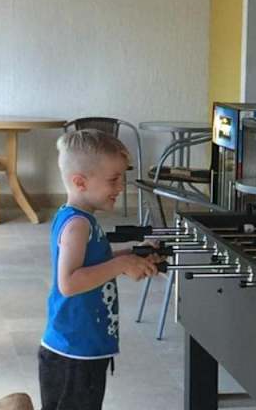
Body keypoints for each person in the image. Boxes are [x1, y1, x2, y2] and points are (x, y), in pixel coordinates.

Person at [38, 129, 160, 410]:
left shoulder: (83, 219)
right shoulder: (77, 225)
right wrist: (121, 264)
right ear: (80, 182)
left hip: (83, 348)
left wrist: (132, 254)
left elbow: (92, 264)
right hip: (73, 352)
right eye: (113, 180)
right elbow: (69, 282)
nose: (120, 187)